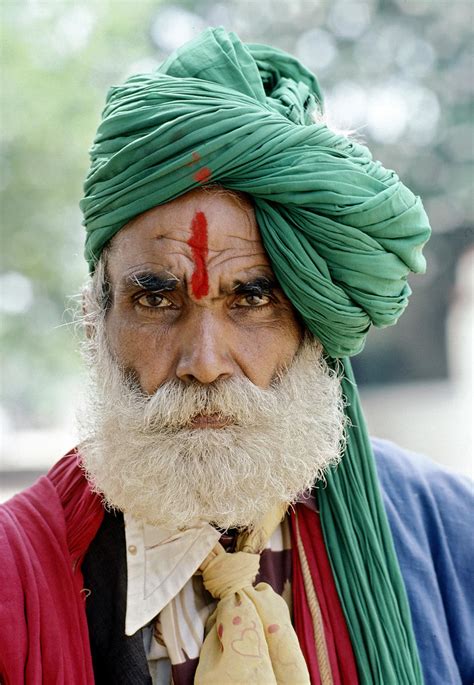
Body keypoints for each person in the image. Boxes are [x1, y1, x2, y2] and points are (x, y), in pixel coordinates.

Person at [1, 27, 472, 685]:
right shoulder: (12, 584)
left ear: (315, 326)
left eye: (252, 299)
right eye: (157, 299)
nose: (205, 360)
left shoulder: (450, 536)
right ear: (95, 321)